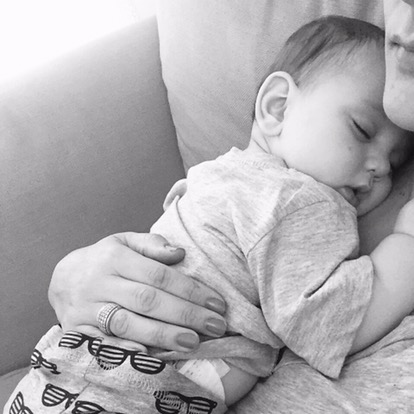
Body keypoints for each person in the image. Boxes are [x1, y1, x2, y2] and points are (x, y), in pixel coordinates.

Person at [5, 15, 414, 414]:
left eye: (395, 162)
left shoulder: (217, 175)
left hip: (64, 369)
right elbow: (336, 323)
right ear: (277, 107)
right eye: (362, 129)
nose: (380, 167)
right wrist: (406, 242)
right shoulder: (298, 200)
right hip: (139, 386)